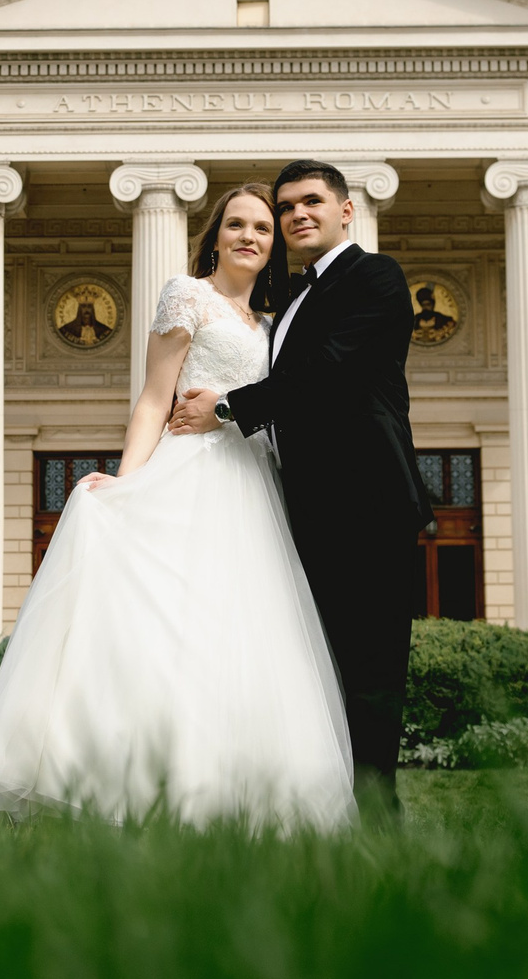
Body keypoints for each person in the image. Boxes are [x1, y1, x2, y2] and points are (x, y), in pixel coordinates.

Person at [0, 184, 354, 831]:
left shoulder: (272, 325)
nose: (250, 236)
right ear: (215, 236)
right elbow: (152, 399)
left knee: (242, 634)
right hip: (189, 474)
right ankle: (134, 786)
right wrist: (126, 482)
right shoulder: (186, 296)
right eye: (236, 224)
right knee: (169, 627)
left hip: (254, 487)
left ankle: (234, 796)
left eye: (262, 228)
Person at [166, 159, 428, 814]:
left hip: (367, 506)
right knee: (315, 677)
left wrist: (227, 407)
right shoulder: (285, 301)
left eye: (311, 201)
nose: (296, 215)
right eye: (285, 207)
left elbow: (329, 368)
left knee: (370, 676)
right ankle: (320, 819)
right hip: (299, 509)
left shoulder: (376, 276)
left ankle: (377, 825)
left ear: (346, 210)